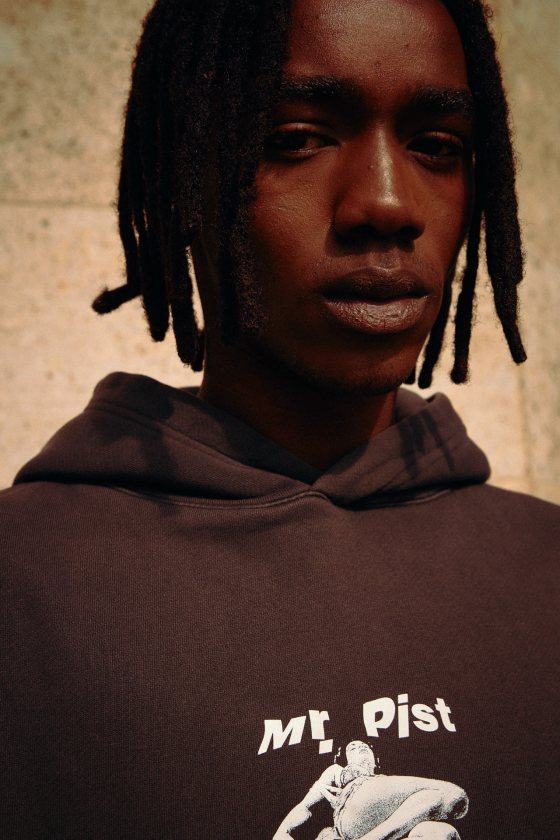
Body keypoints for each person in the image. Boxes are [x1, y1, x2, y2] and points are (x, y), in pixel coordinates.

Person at [1, 0, 558, 838]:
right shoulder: (24, 585)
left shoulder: (546, 570)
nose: (387, 202)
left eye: (438, 147)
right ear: (183, 184)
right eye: (297, 138)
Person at [273, 740, 467, 840]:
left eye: (364, 746)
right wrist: (283, 832)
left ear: (376, 760)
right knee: (453, 795)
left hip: (375, 821)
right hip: (354, 804)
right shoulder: (336, 771)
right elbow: (305, 806)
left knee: (443, 833)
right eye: (352, 748)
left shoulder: (387, 786)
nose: (359, 747)